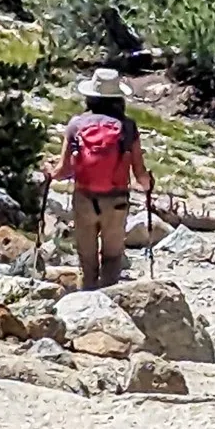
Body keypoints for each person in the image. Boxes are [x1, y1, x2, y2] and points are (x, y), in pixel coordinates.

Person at [45, 68, 153, 289]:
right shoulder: (128, 126)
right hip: (116, 200)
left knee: (87, 260)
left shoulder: (76, 125)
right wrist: (148, 183)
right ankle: (109, 297)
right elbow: (139, 173)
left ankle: (87, 296)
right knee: (112, 257)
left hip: (84, 198)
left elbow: (63, 170)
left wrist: (49, 172)